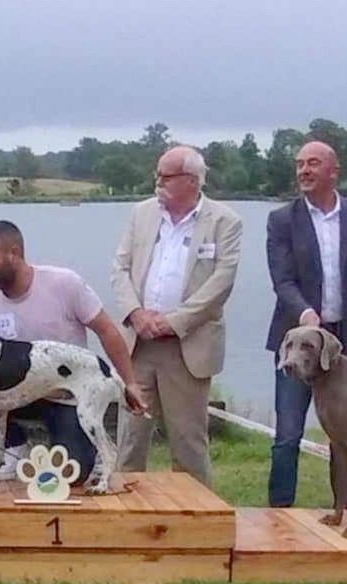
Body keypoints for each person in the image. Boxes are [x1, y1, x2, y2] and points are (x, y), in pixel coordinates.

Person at [0, 220, 148, 483]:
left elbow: (107, 331)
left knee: (73, 475)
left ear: (14, 253)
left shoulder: (65, 284)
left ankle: (89, 451)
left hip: (67, 394)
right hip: (19, 394)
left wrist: (129, 382)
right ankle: (13, 452)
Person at [111, 145, 243, 487]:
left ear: (191, 181)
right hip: (138, 344)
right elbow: (120, 268)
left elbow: (221, 283)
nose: (157, 182)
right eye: (158, 174)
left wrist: (174, 321)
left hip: (188, 348)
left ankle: (198, 522)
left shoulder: (225, 222)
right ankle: (125, 518)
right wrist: (136, 313)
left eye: (165, 176)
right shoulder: (141, 214)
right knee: (129, 439)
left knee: (188, 443)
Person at [265, 140, 347, 507]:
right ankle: (280, 512)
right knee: (288, 434)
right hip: (298, 343)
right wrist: (305, 314)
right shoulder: (282, 220)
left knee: (346, 436)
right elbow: (282, 280)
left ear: (334, 171)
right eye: (299, 163)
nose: (303, 170)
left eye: (313, 163)